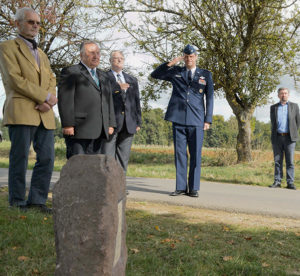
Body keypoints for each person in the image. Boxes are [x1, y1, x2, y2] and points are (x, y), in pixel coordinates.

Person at [0, 7, 57, 213]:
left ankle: (38, 200)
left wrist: (49, 101)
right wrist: (44, 97)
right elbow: (15, 80)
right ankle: (17, 201)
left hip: (45, 113)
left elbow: (51, 78)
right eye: (30, 22)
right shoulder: (6, 47)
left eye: (38, 23)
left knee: (48, 158)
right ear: (17, 24)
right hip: (22, 110)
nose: (35, 26)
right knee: (20, 157)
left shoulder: (42, 53)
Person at [151, 45, 214, 197]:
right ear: (183, 57)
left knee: (195, 154)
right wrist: (170, 64)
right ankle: (180, 187)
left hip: (197, 120)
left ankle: (193, 188)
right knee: (180, 154)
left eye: (191, 56)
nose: (188, 59)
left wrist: (208, 120)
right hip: (178, 118)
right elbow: (155, 75)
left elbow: (210, 97)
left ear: (196, 57)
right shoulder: (176, 72)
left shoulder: (205, 74)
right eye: (186, 56)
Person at [58, 41, 116, 159]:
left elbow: (108, 100)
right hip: (79, 130)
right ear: (81, 55)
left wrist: (111, 123)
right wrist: (68, 124)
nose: (96, 56)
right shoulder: (71, 72)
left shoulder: (104, 76)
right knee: (78, 167)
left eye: (98, 53)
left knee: (94, 168)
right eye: (91, 53)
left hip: (100, 130)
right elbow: (65, 100)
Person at [101, 51, 141, 174]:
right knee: (108, 158)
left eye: (121, 58)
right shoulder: (103, 77)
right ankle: (107, 187)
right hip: (110, 124)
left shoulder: (132, 79)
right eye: (116, 58)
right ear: (110, 61)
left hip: (128, 124)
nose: (119, 60)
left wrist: (138, 121)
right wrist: (117, 88)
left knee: (123, 158)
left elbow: (136, 101)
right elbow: (101, 97)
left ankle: (120, 187)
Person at [269, 87, 300, 190]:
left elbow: (297, 122)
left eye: (285, 93)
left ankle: (290, 182)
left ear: (288, 95)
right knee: (277, 161)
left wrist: (293, 133)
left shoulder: (294, 106)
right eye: (281, 93)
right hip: (277, 138)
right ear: (278, 95)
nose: (284, 95)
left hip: (290, 138)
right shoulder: (273, 107)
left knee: (290, 161)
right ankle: (277, 181)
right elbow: (273, 123)